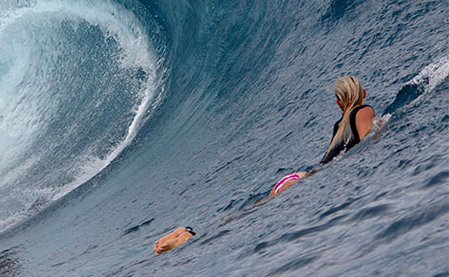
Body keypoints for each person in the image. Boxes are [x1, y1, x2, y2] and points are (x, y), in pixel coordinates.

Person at [152, 76, 376, 256]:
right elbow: (368, 141)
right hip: (305, 179)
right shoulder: (363, 111)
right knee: (249, 217)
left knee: (251, 212)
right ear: (362, 94)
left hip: (297, 177)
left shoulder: (340, 124)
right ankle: (191, 236)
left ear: (338, 103)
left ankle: (190, 231)